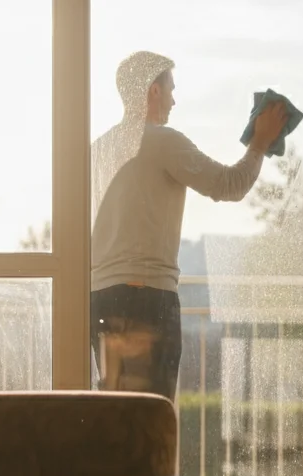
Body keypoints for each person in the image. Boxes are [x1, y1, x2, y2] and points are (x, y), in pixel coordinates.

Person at [90, 51, 288, 401]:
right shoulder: (162, 141)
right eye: (170, 90)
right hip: (145, 296)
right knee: (151, 416)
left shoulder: (98, 149)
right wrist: (261, 141)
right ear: (153, 90)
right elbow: (229, 184)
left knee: (116, 413)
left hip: (101, 297)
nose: (174, 100)